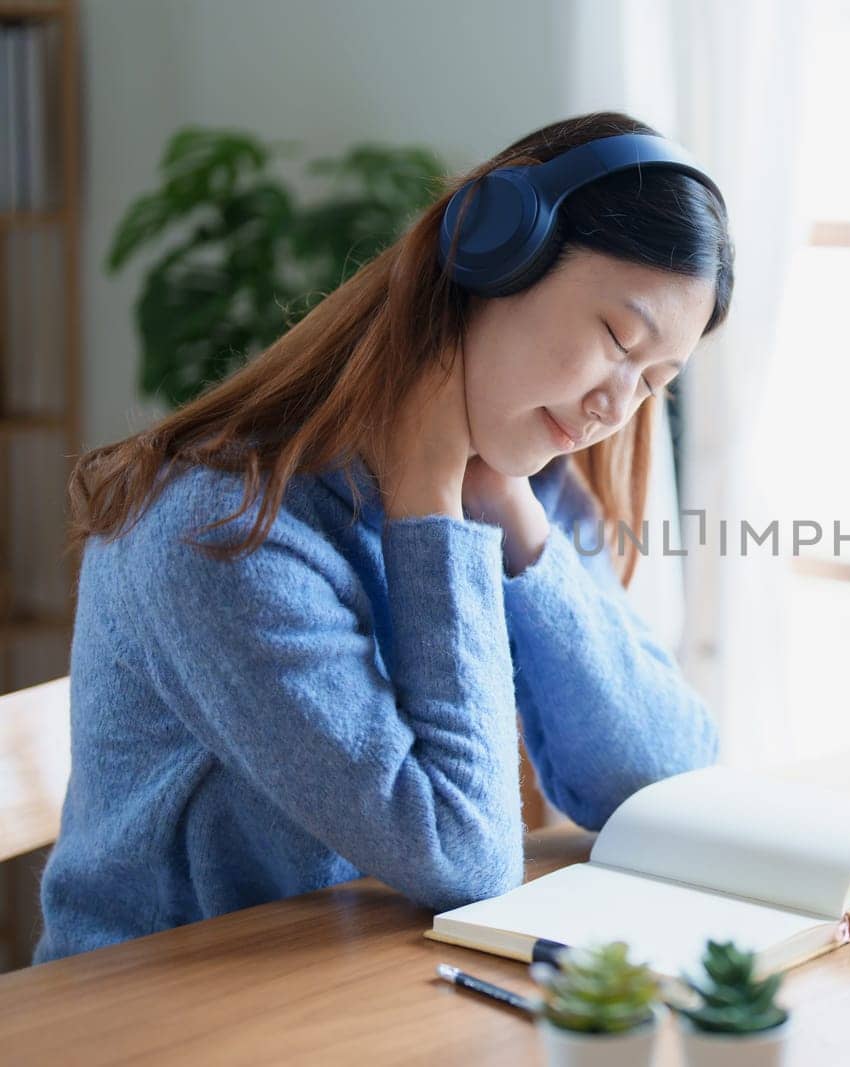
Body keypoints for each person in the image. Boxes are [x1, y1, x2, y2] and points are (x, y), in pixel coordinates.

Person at [33, 111, 732, 963]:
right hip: (150, 1017)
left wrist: (515, 528)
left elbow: (668, 781)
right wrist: (430, 504)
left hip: (355, 983)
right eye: (619, 339)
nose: (616, 405)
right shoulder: (218, 530)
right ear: (492, 252)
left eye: (655, 381)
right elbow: (464, 857)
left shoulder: (520, 479)